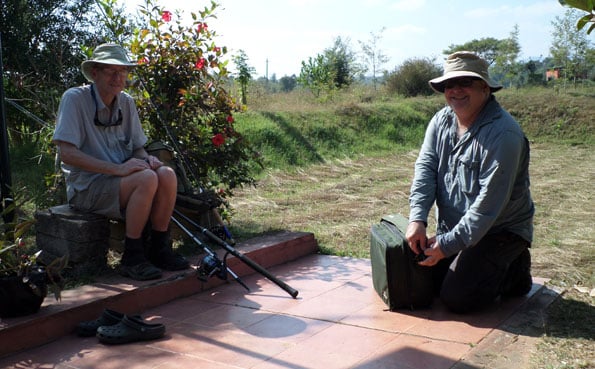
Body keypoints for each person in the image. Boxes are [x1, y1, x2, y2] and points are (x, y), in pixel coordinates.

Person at [405, 51, 535, 313]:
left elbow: (488, 207)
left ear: (484, 88)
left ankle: (515, 270)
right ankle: (480, 263)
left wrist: (447, 245)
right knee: (423, 280)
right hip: (457, 225)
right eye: (448, 85)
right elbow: (426, 168)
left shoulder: (503, 134)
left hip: (500, 230)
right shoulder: (441, 121)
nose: (455, 91)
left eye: (465, 83)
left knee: (458, 298)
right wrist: (417, 219)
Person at [53, 43, 189, 281]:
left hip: (121, 180)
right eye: (111, 71)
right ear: (94, 73)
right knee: (146, 179)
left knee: (166, 174)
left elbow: (137, 147)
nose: (118, 77)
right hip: (87, 187)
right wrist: (118, 169)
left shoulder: (125, 102)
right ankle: (132, 256)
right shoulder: (74, 99)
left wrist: (147, 159)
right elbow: (68, 154)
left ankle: (159, 249)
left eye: (123, 71)